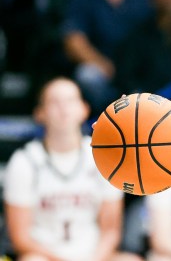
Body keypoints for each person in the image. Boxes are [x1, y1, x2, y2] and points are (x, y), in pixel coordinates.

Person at [3, 77, 142, 261]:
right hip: (47, 255)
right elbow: (21, 238)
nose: (63, 108)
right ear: (40, 113)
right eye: (54, 102)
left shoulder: (103, 156)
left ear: (84, 109)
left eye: (70, 100)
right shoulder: (24, 162)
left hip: (94, 255)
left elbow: (111, 230)